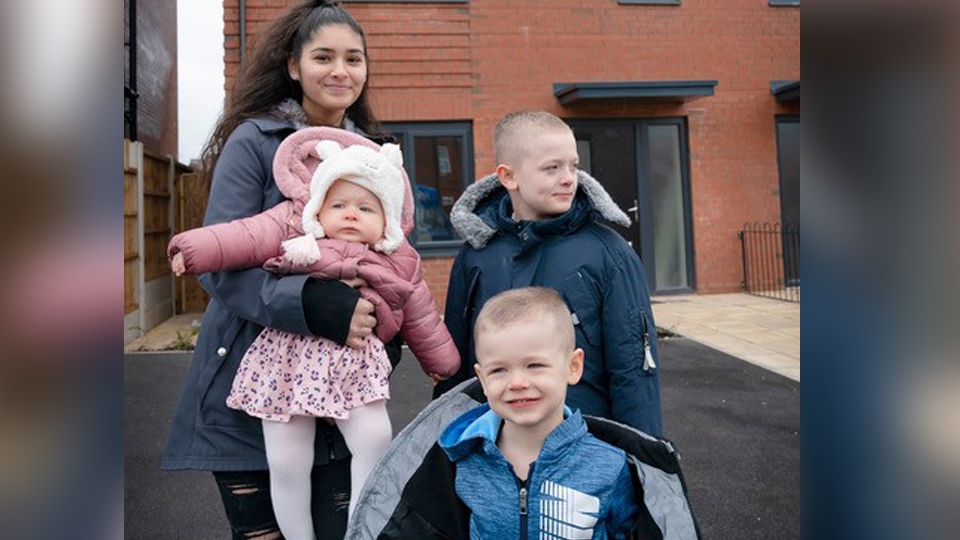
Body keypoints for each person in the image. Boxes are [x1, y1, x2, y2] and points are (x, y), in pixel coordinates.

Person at [160, 1, 400, 538]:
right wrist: (312, 304)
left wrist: (390, 320)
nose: (341, 71)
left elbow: (391, 254)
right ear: (294, 66)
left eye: (354, 59)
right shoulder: (255, 142)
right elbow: (220, 267)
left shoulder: (374, 155)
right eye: (324, 57)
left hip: (345, 380)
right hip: (255, 379)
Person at [169, 128, 460, 538]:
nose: (351, 213)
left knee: (376, 438)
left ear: (389, 220)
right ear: (318, 208)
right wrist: (194, 249)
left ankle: (361, 526)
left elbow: (422, 314)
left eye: (366, 207)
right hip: (288, 360)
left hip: (354, 363)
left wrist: (443, 364)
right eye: (338, 204)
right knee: (288, 460)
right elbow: (243, 237)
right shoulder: (297, 234)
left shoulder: (399, 258)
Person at [435, 110, 663, 437]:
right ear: (508, 176)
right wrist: (444, 443)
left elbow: (634, 369)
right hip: (492, 447)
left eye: (573, 165)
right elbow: (455, 364)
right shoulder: (477, 253)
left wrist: (644, 457)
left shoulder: (609, 254)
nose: (569, 178)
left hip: (584, 445)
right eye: (552, 168)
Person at [438, 287, 638, 539]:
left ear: (573, 366)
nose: (517, 382)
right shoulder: (465, 458)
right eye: (499, 370)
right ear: (482, 379)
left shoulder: (608, 464)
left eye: (535, 365)